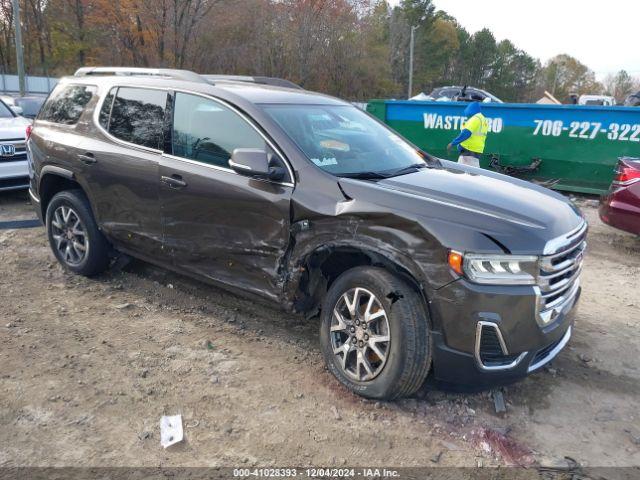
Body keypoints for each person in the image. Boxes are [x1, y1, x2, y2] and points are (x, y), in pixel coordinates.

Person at [447, 101, 489, 167]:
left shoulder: (475, 119)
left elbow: (466, 133)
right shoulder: (483, 119)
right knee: (474, 174)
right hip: (476, 151)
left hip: (468, 152)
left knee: (461, 173)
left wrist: (453, 143)